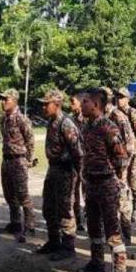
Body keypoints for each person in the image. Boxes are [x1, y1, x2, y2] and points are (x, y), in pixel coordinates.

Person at [76, 88, 129, 272]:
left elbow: (121, 157)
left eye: (86, 102)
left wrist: (113, 178)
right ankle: (97, 262)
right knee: (94, 226)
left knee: (112, 230)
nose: (82, 105)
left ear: (96, 105)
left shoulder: (108, 127)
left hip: (106, 184)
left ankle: (119, 270)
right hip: (91, 184)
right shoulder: (87, 126)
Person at [36, 89, 84, 260]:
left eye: (46, 104)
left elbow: (78, 153)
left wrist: (79, 175)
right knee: (49, 207)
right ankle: (54, 241)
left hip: (65, 172)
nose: (43, 107)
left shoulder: (66, 124)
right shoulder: (51, 122)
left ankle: (68, 246)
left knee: (65, 209)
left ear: (56, 105)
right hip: (53, 170)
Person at [0, 88, 36, 241]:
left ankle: (30, 227)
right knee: (9, 194)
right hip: (6, 160)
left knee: (23, 195)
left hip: (18, 160)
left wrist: (28, 159)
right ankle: (15, 223)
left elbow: (30, 139)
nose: (2, 102)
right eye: (2, 99)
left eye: (5, 99)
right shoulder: (4, 119)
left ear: (14, 100)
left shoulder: (21, 119)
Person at [103, 87, 135, 245]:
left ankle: (126, 237)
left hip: (118, 168)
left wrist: (120, 168)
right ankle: (113, 235)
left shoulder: (118, 116)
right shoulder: (103, 115)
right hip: (108, 168)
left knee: (123, 202)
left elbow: (130, 145)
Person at [115, 87, 136, 225]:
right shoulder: (113, 113)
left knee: (134, 182)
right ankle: (122, 209)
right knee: (122, 182)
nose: (118, 99)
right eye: (117, 97)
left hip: (135, 154)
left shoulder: (133, 112)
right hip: (121, 154)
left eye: (121, 97)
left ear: (127, 98)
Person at [69, 91, 86, 231]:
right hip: (75, 160)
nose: (70, 105)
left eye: (73, 102)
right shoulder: (71, 120)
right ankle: (78, 220)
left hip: (87, 161)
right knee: (74, 191)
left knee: (87, 192)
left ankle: (88, 219)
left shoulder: (87, 119)